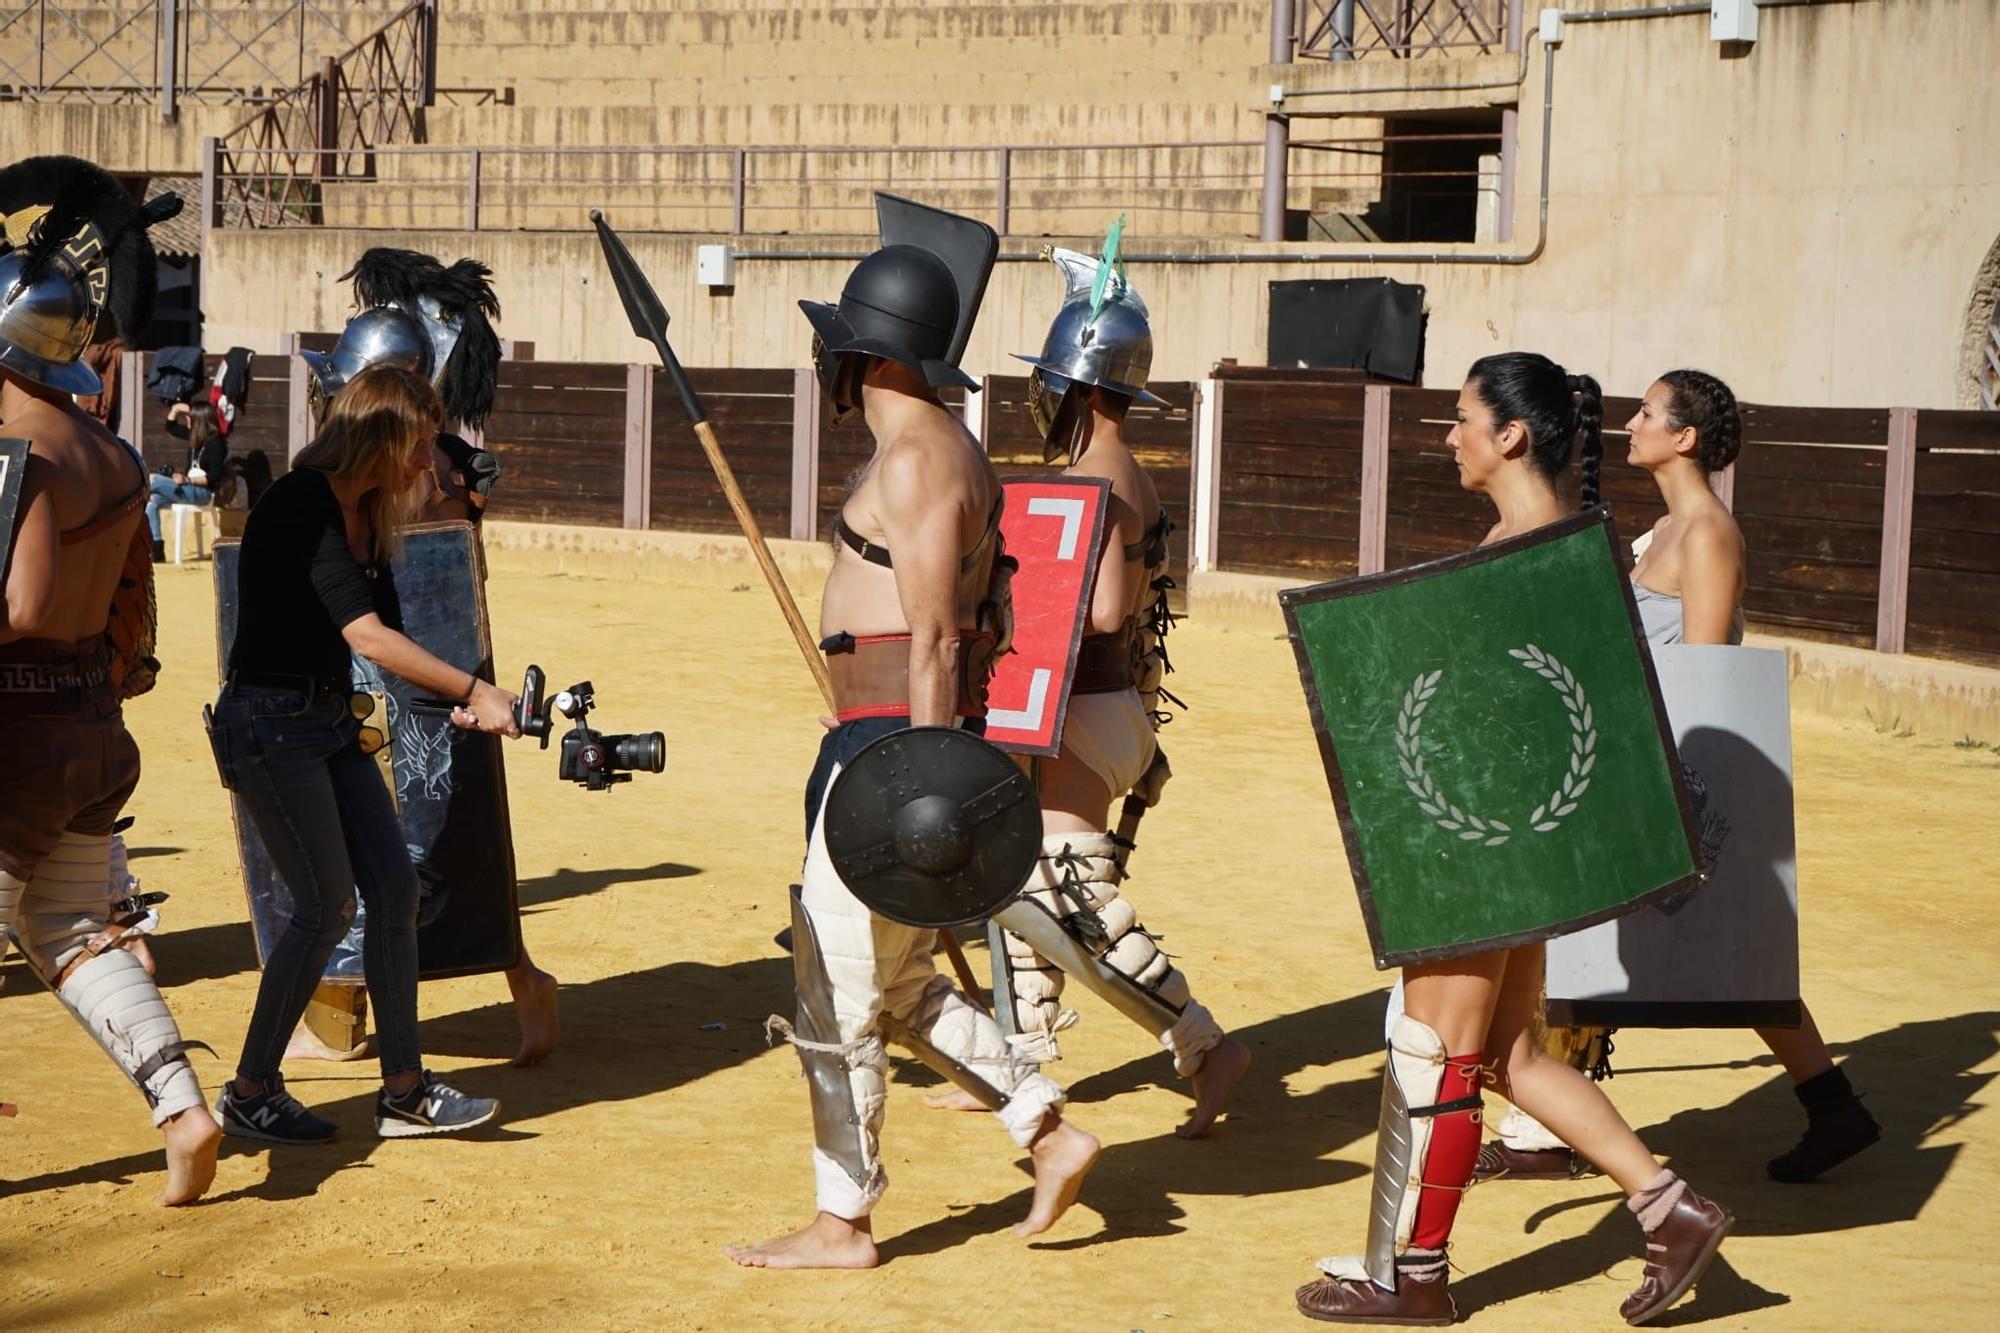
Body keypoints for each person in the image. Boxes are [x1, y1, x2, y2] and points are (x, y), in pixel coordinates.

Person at [1294, 353, 1731, 1327]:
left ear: (1509, 435)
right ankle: (1670, 1208)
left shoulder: (1533, 552)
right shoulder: (1552, 542)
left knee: (1431, 1045)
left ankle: (1409, 1274)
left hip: (1480, 841)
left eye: (1459, 419)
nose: (1446, 436)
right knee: (1508, 1057)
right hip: (1514, 835)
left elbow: (1506, 723)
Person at [727, 196, 1099, 1271]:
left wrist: (917, 787)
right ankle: (1044, 1124)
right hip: (879, 740)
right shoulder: (932, 447)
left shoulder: (918, 459)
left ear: (863, 357)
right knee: (890, 987)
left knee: (836, 989)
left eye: (834, 347)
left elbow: (937, 634)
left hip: (895, 749)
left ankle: (842, 1220)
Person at [1477, 370, 1880, 1188]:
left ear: (1684, 437)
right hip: (1640, 758)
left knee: (1728, 958)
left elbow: (1702, 674)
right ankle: (1829, 1105)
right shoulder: (1664, 528)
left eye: (1649, 415)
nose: (1632, 424)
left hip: (1675, 767)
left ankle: (1833, 1106)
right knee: (1682, 951)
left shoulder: (1705, 535)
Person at [936, 239, 1249, 1137]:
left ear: (1068, 384)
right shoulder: (1120, 468)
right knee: (1016, 871)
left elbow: (1106, 607)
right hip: (1093, 707)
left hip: (1084, 703)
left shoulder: (1101, 475)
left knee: (1065, 888)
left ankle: (1201, 1041)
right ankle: (1013, 1056)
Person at [208, 364, 520, 1144]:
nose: (426, 463)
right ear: (380, 436)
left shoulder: (366, 513)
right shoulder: (304, 502)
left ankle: (405, 1090)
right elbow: (367, 637)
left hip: (326, 722)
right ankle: (250, 1088)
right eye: (418, 446)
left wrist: (460, 701)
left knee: (393, 888)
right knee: (323, 908)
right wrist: (478, 690)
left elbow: (389, 650)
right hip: (271, 726)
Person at [0, 154, 220, 1205]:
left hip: (13, 739)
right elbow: (123, 623)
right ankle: (183, 1108)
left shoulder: (20, 449)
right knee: (75, 935)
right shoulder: (112, 453)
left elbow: (27, 611)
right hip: (92, 731)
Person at [284, 247, 558, 1069]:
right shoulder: (432, 461)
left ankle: (507, 981)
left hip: (418, 679)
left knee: (422, 847)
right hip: (392, 677)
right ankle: (341, 1013)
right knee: (412, 846)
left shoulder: (414, 469)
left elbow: (397, 584)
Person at [143, 399, 228, 560]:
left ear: (199, 420)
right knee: (152, 502)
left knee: (153, 479)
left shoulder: (216, 444)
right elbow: (171, 427)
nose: (187, 419)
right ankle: (157, 549)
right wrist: (175, 409)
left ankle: (133, 495)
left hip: (202, 493)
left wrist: (187, 480)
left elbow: (214, 477)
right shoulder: (195, 437)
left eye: (190, 417)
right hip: (186, 489)